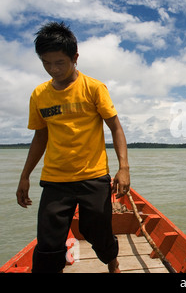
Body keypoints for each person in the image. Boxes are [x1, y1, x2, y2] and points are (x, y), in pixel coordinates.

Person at [15, 21, 130, 273]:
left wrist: (123, 168)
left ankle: (112, 262)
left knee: (97, 233)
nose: (53, 69)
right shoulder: (39, 95)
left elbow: (115, 127)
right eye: (46, 63)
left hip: (94, 177)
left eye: (59, 63)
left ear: (75, 58)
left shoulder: (94, 88)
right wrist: (25, 177)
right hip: (55, 179)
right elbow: (39, 138)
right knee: (48, 243)